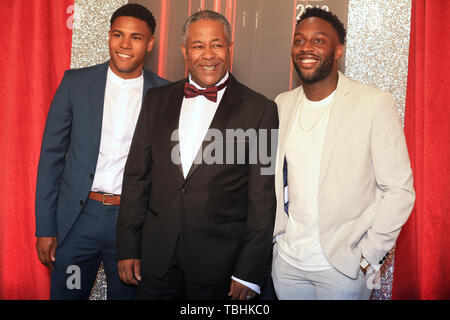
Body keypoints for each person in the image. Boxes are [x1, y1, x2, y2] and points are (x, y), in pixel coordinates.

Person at [116, 10, 278, 300]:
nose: (208, 55)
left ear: (230, 48)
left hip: (219, 267)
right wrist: (128, 246)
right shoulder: (156, 99)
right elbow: (137, 177)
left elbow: (263, 199)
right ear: (184, 51)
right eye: (198, 45)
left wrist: (249, 271)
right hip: (156, 259)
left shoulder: (261, 110)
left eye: (216, 44)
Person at [271, 8, 415, 300]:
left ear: (338, 51)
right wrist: (277, 242)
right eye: (299, 40)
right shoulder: (281, 104)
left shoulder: (373, 103)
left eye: (319, 40)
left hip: (342, 269)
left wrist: (368, 255)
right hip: (287, 264)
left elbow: (399, 189)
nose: (306, 48)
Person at [35, 3, 169, 300]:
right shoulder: (75, 83)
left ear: (150, 43)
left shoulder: (165, 95)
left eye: (136, 37)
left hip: (132, 225)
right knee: (68, 294)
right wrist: (45, 227)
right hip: (78, 221)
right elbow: (51, 159)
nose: (124, 44)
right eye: (118, 34)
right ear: (108, 36)